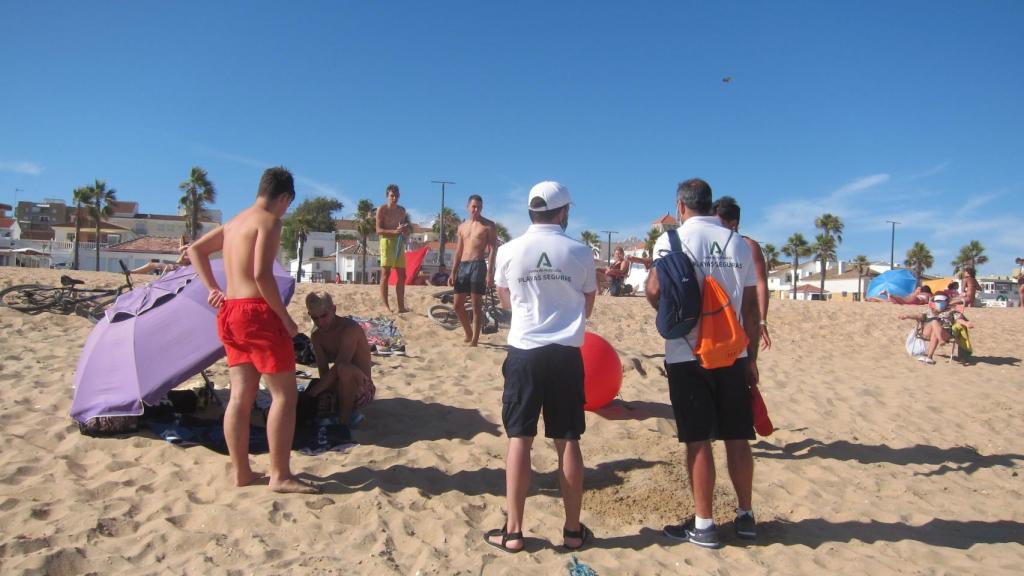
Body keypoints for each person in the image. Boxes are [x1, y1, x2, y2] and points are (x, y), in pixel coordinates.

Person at [645, 178, 759, 548]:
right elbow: (752, 306)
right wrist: (752, 358)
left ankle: (705, 524)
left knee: (698, 440)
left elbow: (656, 290)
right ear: (710, 205)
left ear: (680, 207)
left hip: (688, 354)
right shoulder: (737, 242)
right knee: (738, 437)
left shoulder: (670, 241)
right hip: (733, 351)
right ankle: (745, 516)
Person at [188, 166, 316, 494]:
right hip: (256, 312)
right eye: (288, 203)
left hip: (230, 311)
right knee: (284, 395)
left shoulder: (234, 222)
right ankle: (279, 474)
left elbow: (195, 250)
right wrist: (285, 317)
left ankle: (242, 472)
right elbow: (262, 274)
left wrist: (213, 288)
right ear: (284, 197)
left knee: (240, 396)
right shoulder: (269, 222)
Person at [484, 181, 597, 553]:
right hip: (565, 352)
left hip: (524, 350)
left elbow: (505, 299)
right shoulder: (580, 251)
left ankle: (513, 532)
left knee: (520, 437)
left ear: (530, 211)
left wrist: (531, 310)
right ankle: (572, 530)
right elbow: (587, 304)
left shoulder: (509, 250)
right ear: (563, 212)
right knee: (567, 439)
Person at [304, 291, 375, 427]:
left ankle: (344, 421)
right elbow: (323, 371)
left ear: (334, 309)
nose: (320, 322)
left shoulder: (349, 329)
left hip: (363, 388)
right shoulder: (317, 335)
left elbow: (339, 367)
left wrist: (314, 392)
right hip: (339, 384)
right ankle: (339, 411)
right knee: (317, 390)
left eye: (324, 316)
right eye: (315, 318)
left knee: (343, 369)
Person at [713, 196, 771, 349]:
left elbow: (761, 284)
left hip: (740, 323)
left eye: (718, 223)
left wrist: (762, 321)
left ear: (733, 224)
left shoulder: (749, 246)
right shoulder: (709, 243)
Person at [449, 194, 498, 346]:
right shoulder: (462, 226)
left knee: (477, 305)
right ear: (468, 207)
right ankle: (468, 332)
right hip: (463, 266)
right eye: (474, 206)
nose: (476, 209)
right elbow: (458, 251)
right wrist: (453, 272)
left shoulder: (488, 225)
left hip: (478, 265)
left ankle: (475, 339)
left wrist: (490, 273)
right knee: (457, 305)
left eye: (479, 207)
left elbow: (492, 249)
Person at [899, 293, 973, 364]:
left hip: (945, 332)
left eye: (941, 301)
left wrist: (966, 323)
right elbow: (919, 316)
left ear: (946, 302)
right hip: (928, 332)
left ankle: (929, 357)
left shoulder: (952, 311)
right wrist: (908, 316)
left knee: (935, 329)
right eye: (937, 301)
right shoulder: (930, 311)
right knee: (934, 321)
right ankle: (940, 340)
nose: (939, 303)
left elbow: (958, 320)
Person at [376, 184, 411, 313]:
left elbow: (402, 228)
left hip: (399, 242)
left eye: (396, 195)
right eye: (392, 195)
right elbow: (378, 230)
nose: (394, 198)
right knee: (386, 274)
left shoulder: (402, 210)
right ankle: (386, 306)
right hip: (386, 242)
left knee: (402, 275)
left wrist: (404, 230)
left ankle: (401, 306)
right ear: (387, 196)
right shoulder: (382, 209)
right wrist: (394, 231)